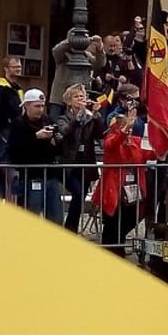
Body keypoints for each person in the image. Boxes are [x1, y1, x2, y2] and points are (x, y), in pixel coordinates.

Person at [92, 111, 151, 257]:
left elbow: (151, 153)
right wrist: (123, 132)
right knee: (113, 221)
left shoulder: (136, 141)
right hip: (114, 188)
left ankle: (117, 244)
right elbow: (113, 144)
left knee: (132, 217)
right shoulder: (110, 139)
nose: (129, 128)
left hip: (133, 188)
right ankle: (110, 249)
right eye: (125, 126)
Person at [7, 89, 64, 224]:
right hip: (31, 176)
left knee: (56, 216)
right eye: (36, 106)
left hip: (50, 175)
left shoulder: (48, 120)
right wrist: (36, 137)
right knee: (31, 214)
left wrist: (54, 140)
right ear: (27, 106)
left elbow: (59, 149)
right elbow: (14, 150)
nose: (40, 109)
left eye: (42, 106)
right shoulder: (18, 124)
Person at [57, 83, 105, 234]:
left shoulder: (90, 117)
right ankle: (70, 229)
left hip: (86, 162)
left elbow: (99, 134)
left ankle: (71, 229)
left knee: (80, 199)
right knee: (77, 194)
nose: (80, 99)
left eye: (82, 96)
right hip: (69, 163)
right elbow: (66, 133)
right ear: (69, 101)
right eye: (76, 97)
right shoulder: (63, 118)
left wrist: (96, 115)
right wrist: (77, 119)